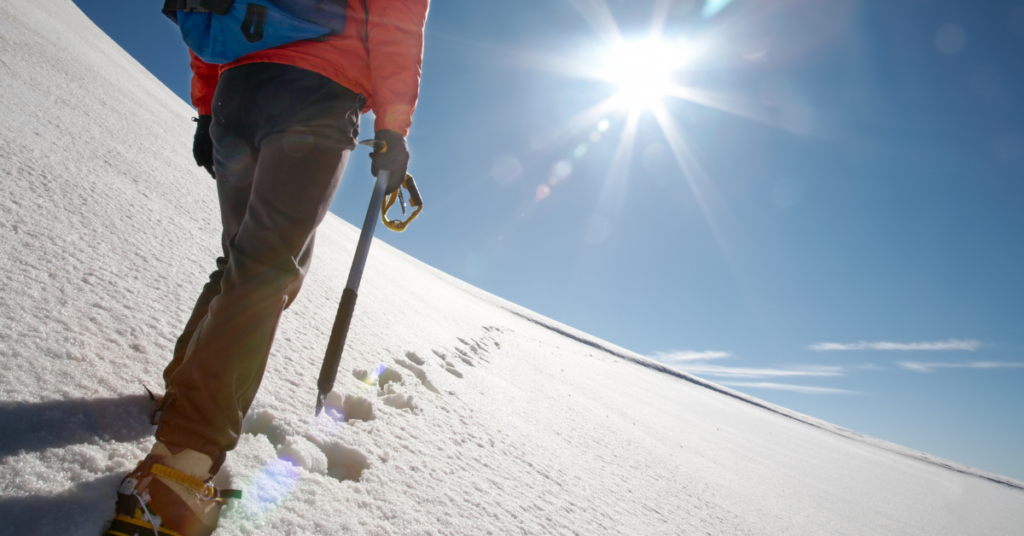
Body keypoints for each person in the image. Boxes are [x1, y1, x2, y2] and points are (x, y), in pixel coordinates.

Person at [106, 1, 429, 535]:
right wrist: (393, 128)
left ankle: (183, 401)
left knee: (245, 261)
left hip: (238, 94)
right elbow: (397, 24)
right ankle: (178, 467)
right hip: (317, 94)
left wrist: (209, 108)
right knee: (263, 271)